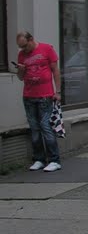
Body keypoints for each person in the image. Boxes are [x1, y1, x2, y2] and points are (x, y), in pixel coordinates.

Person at [14, 31, 62, 172]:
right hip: (28, 95)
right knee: (34, 128)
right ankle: (39, 159)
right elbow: (20, 78)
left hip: (45, 95)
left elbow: (55, 71)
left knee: (45, 126)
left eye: (25, 46)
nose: (23, 50)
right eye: (21, 47)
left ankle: (54, 160)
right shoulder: (22, 55)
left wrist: (57, 92)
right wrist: (21, 70)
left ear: (31, 40)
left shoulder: (47, 49)